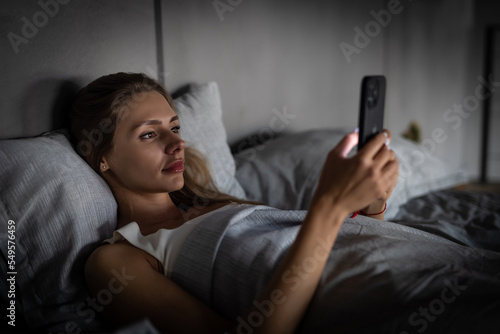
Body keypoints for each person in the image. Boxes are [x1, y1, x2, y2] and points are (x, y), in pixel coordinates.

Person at [70, 72, 399, 333]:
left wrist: (374, 205)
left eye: (175, 127)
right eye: (149, 134)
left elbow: (354, 250)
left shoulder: (216, 206)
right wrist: (328, 206)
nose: (178, 143)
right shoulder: (118, 260)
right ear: (103, 158)